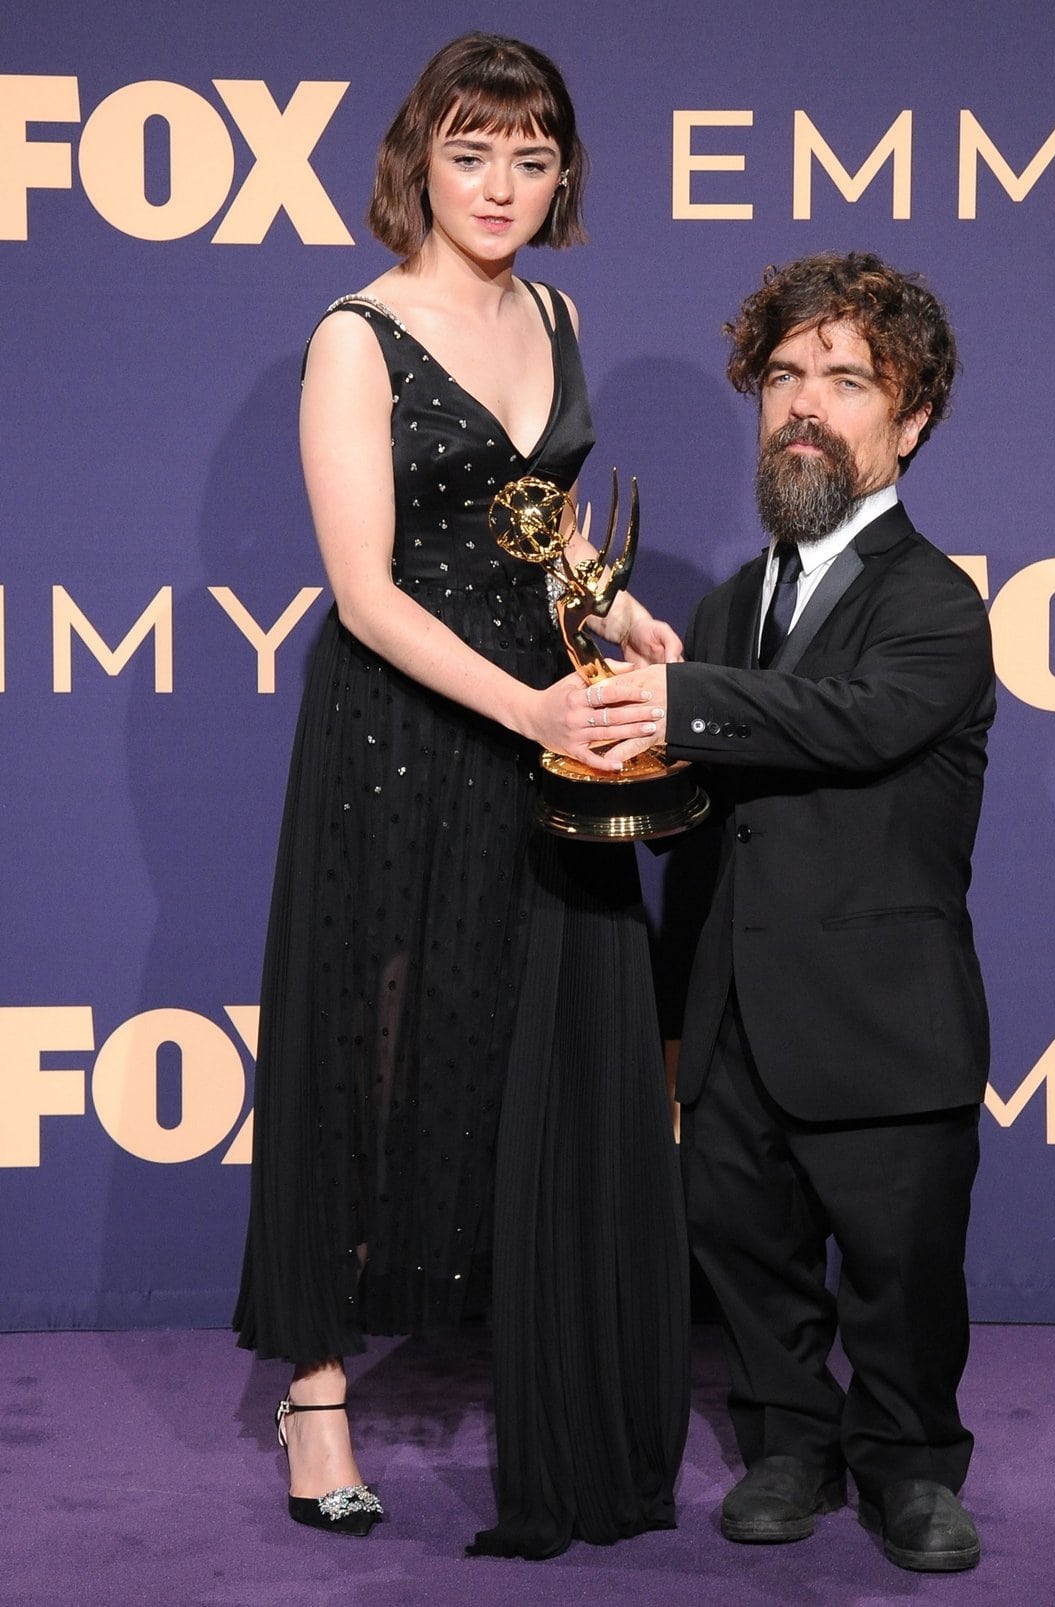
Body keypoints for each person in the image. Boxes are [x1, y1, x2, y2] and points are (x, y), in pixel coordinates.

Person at [233, 33, 689, 1558]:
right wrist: (529, 704)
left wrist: (610, 614)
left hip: (539, 721)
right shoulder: (358, 335)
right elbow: (364, 594)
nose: (501, 183)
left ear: (561, 174)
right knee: (358, 1050)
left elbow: (539, 525)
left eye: (532, 154)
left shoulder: (553, 310)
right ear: (417, 160)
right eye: (473, 151)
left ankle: (537, 1349)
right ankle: (315, 1397)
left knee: (523, 1038)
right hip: (399, 734)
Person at [618, 252, 995, 1572]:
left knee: (900, 1273)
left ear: (912, 420)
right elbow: (705, 835)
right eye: (784, 376)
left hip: (885, 1025)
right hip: (736, 1024)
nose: (804, 405)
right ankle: (788, 1439)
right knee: (749, 1254)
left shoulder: (935, 603)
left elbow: (856, 724)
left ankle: (909, 1465)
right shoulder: (727, 608)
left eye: (847, 380)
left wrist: (680, 705)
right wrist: (677, 1023)